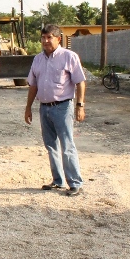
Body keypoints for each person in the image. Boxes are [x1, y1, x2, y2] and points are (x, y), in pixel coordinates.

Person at [24, 24, 87, 196]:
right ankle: (58, 181)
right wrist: (28, 107)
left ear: (58, 39)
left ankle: (75, 183)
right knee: (51, 145)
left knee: (67, 145)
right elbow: (33, 85)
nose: (45, 41)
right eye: (43, 37)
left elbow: (80, 82)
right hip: (44, 108)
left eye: (49, 37)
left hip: (62, 107)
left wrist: (80, 105)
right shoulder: (38, 59)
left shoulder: (69, 57)